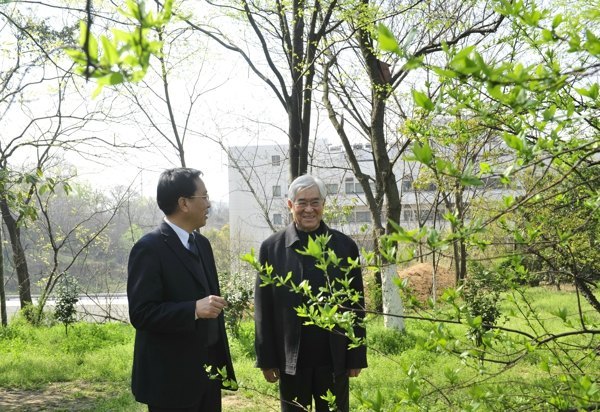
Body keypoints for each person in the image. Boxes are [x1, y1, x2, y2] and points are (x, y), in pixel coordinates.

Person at [254, 174, 367, 412]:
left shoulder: (344, 246)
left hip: (333, 358)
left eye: (315, 202)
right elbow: (263, 308)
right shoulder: (272, 248)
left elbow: (356, 303)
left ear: (324, 205)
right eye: (302, 202)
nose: (309, 209)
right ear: (290, 205)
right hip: (291, 361)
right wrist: (266, 359)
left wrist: (356, 355)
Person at [127, 167, 236, 412]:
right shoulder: (149, 248)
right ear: (184, 203)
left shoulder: (202, 244)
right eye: (204, 197)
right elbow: (142, 313)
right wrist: (193, 310)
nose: (209, 204)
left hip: (208, 373)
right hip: (170, 381)